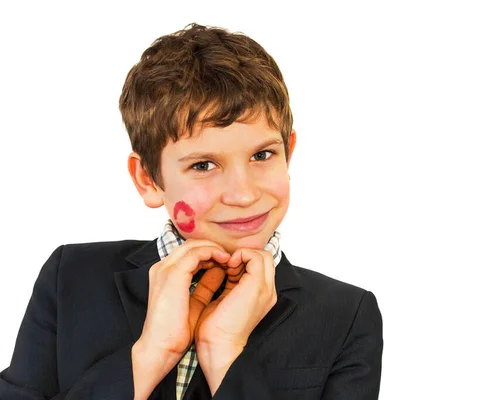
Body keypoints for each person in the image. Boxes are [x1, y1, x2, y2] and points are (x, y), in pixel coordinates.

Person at [0, 23, 383, 399]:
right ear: (148, 179)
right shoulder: (71, 278)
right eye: (203, 165)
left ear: (289, 153)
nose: (243, 194)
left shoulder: (348, 316)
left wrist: (225, 352)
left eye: (262, 155)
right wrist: (149, 356)